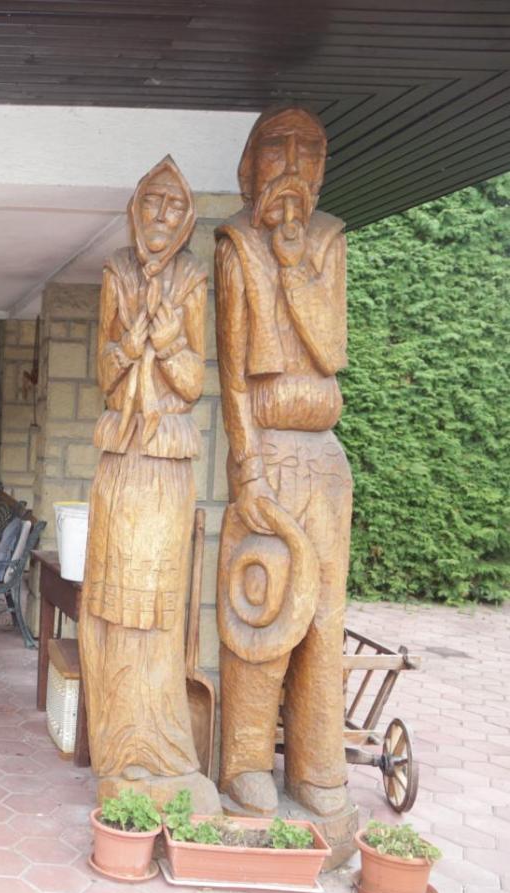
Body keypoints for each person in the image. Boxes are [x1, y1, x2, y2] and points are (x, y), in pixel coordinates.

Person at [215, 105, 351, 819]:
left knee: (324, 615)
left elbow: (330, 349)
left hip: (323, 458)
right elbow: (233, 373)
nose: (293, 163)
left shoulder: (328, 241)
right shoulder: (236, 245)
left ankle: (319, 765)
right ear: (251, 167)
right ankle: (245, 762)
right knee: (259, 606)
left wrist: (295, 264)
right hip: (266, 453)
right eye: (277, 147)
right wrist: (246, 468)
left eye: (308, 149)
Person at [78, 156, 219, 811]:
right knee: (111, 605)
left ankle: (158, 742)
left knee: (157, 608)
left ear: (186, 218)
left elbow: (192, 382)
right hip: (121, 460)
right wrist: (129, 348)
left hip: (164, 461)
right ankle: (116, 741)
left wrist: (171, 345)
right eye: (152, 202)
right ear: (135, 210)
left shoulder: (193, 278)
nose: (162, 215)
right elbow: (104, 370)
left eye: (174, 205)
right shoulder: (116, 272)